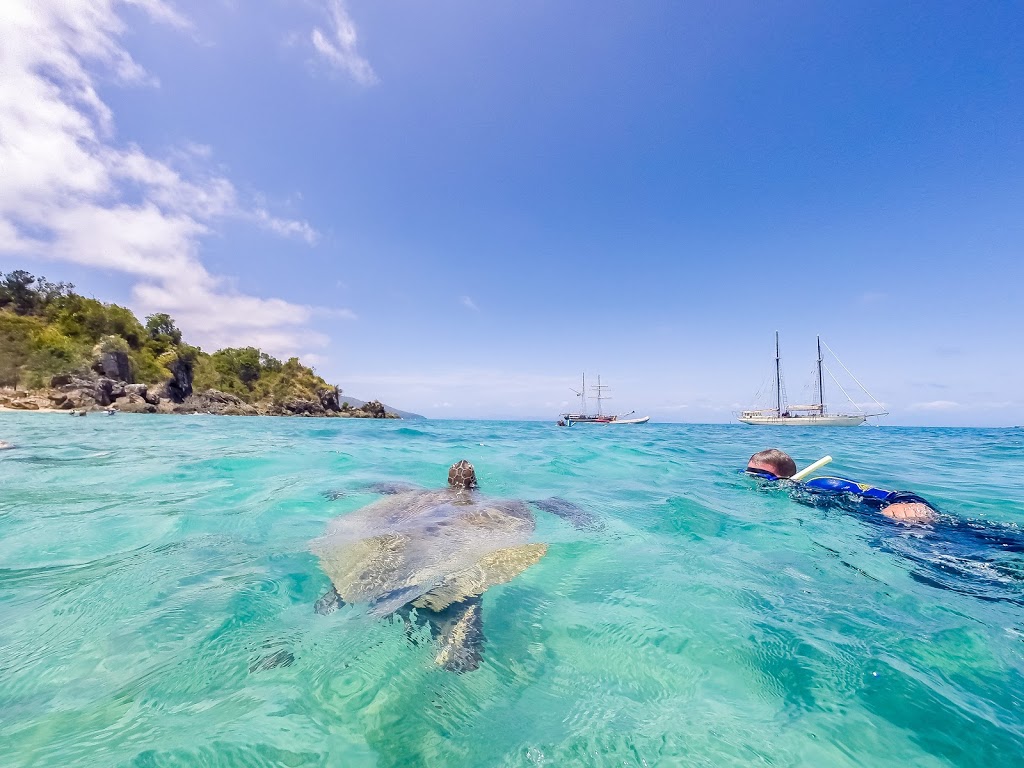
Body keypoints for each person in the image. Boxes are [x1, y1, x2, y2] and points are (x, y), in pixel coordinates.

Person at [745, 448, 937, 523]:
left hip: (907, 522)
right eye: (749, 473)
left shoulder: (819, 484)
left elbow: (892, 495)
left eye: (760, 474)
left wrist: (909, 503)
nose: (753, 479)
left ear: (785, 476)